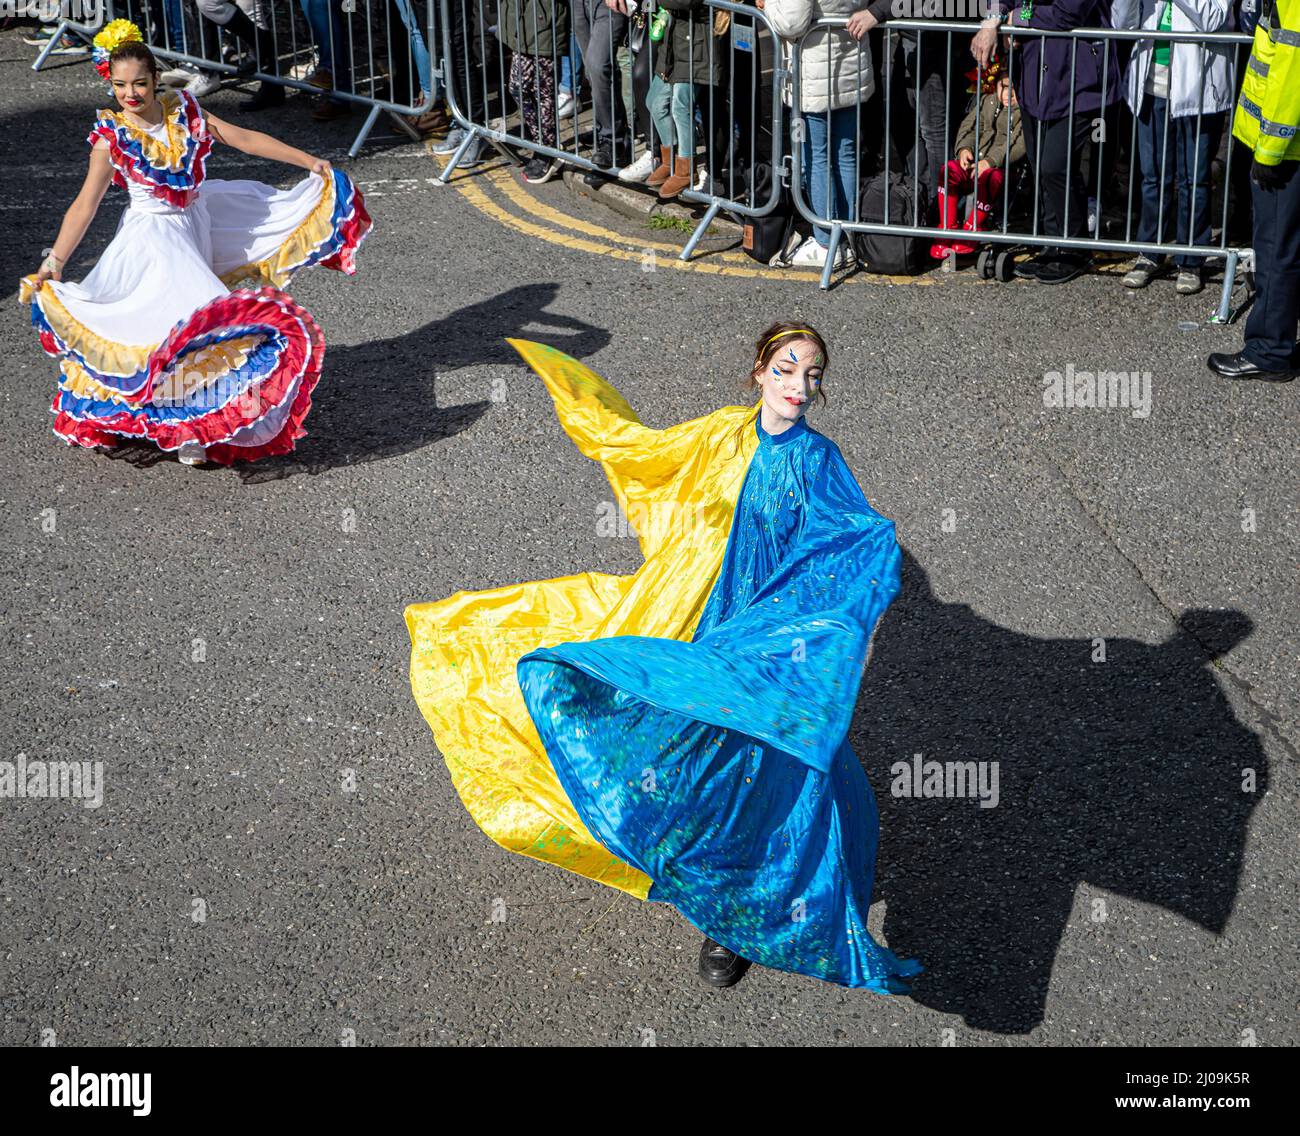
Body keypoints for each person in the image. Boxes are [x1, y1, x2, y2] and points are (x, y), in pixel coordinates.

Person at [405, 324, 924, 993]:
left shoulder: (820, 463)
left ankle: (733, 923)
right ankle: (679, 859)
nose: (800, 386)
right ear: (760, 372)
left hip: (759, 645)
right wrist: (579, 395)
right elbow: (642, 452)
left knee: (771, 773)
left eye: (813, 375)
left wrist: (868, 561)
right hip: (691, 620)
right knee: (672, 749)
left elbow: (850, 539)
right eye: (788, 370)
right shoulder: (718, 434)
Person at [18, 20, 372, 466]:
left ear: (156, 80)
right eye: (122, 85)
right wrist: (55, 260)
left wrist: (309, 161)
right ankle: (190, 430)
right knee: (186, 327)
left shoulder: (182, 111)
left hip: (199, 222)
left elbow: (242, 139)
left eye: (141, 84)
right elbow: (84, 205)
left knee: (185, 333)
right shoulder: (113, 137)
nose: (132, 95)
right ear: (110, 82)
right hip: (155, 242)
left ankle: (185, 420)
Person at [974, 1, 1121, 285]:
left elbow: (1068, 11)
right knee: (1040, 162)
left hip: (1081, 79)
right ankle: (1052, 245)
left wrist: (1017, 17)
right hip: (1036, 76)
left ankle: (1074, 248)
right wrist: (991, 21)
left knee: (1055, 165)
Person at [1112, 0, 1236, 296]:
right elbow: (1121, 23)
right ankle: (1149, 253)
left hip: (1197, 87)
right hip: (1150, 83)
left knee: (1194, 180)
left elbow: (1213, 18)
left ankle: (1191, 261)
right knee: (1153, 177)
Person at [1208, 0, 1299, 382]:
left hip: (1285, 149)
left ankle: (1268, 349)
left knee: (1276, 248)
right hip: (1284, 145)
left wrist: (1269, 151)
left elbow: (1291, 70)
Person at [767, 0, 875, 268]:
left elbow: (792, 21)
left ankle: (826, 242)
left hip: (816, 68)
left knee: (817, 158)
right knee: (845, 155)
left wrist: (769, 3)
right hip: (849, 63)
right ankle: (847, 238)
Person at [931, 73, 1025, 259]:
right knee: (949, 170)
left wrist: (989, 162)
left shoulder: (1024, 112)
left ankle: (974, 226)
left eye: (1013, 88)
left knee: (990, 177)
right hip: (975, 164)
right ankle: (947, 228)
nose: (1008, 93)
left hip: (1001, 168)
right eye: (1004, 87)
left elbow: (1019, 144)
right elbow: (970, 126)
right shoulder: (986, 102)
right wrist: (964, 149)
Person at [646, 0, 724, 199]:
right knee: (654, 102)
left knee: (681, 106)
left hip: (697, 41)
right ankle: (669, 160)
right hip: (676, 38)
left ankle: (686, 168)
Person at [498, 0, 568, 183]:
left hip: (544, 17)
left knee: (543, 91)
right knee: (517, 88)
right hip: (522, 20)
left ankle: (548, 149)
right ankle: (543, 141)